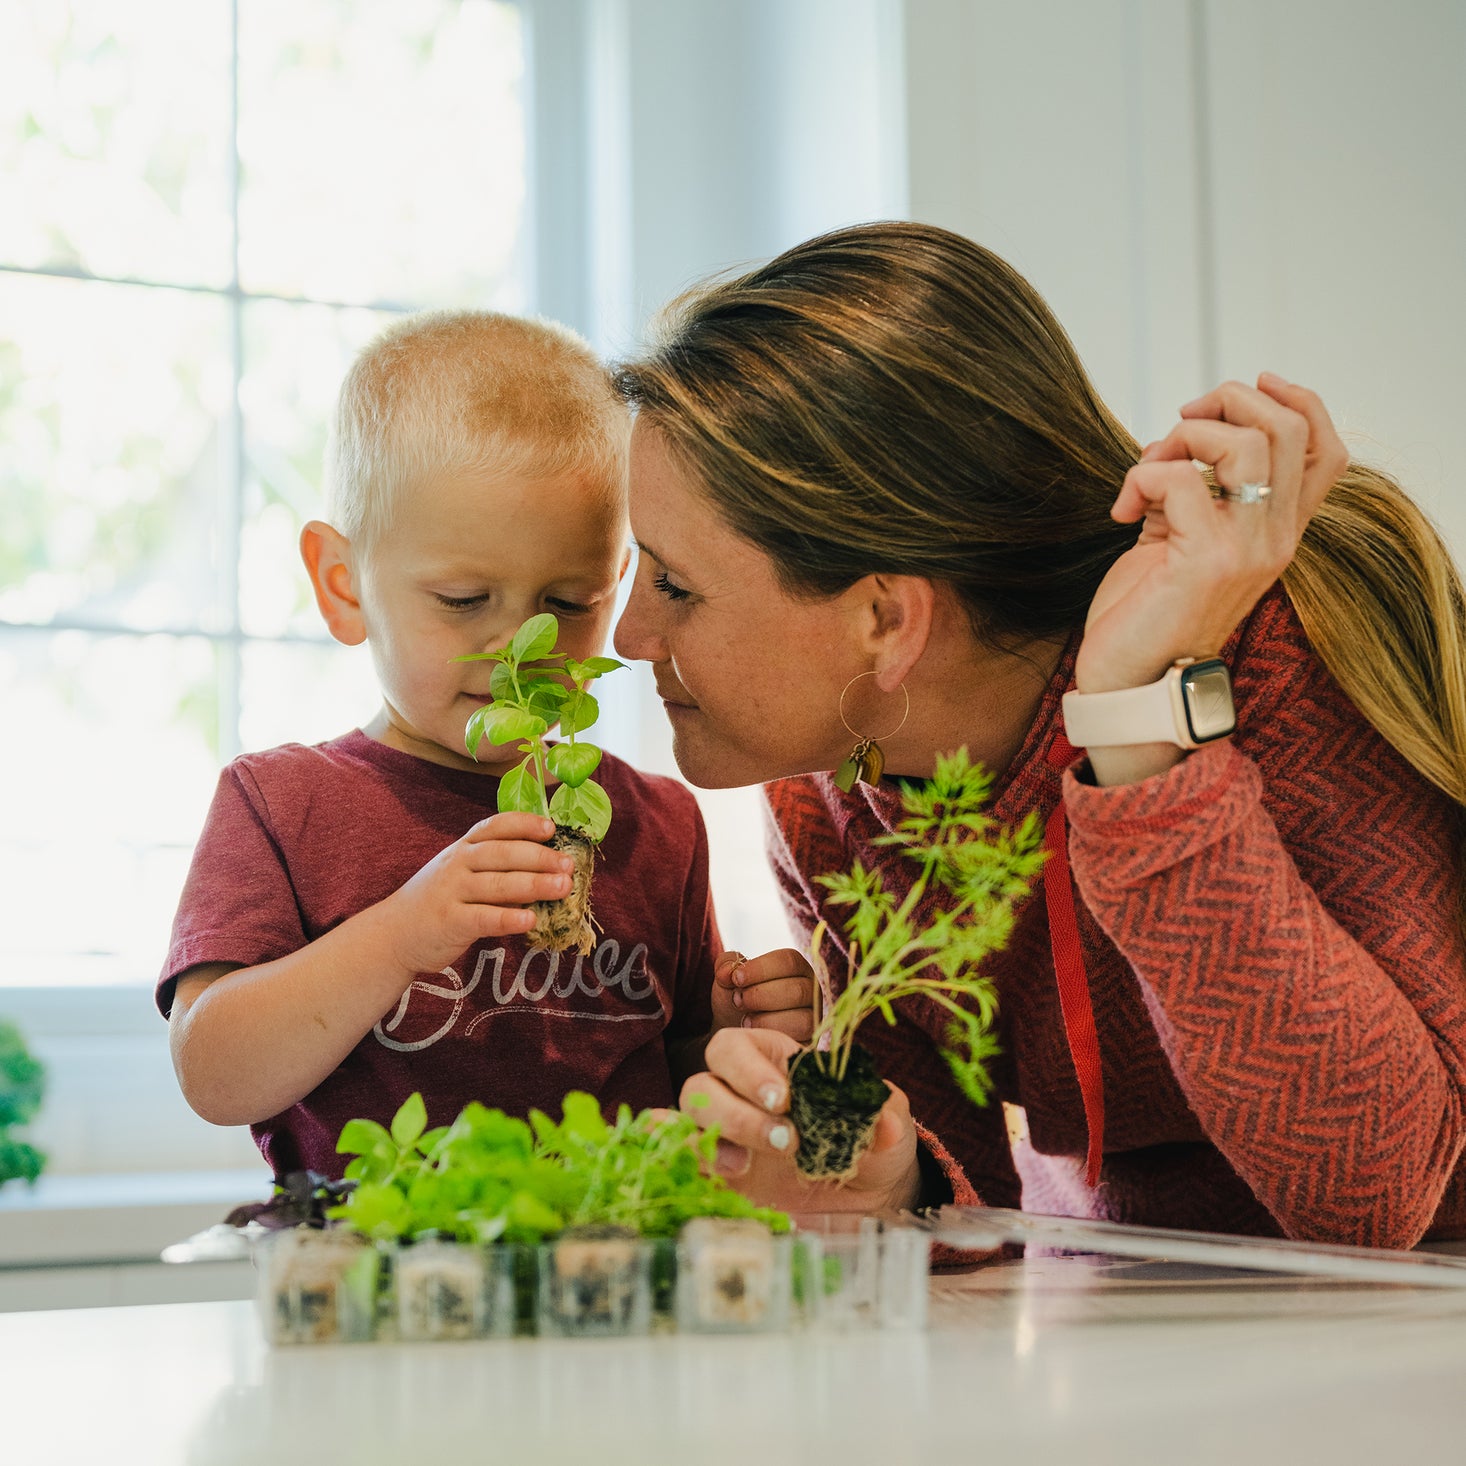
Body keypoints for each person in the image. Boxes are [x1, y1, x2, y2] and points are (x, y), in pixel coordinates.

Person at [611, 220, 1466, 1249]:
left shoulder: (1276, 652)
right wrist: (867, 1176)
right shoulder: (830, 782)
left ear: (883, 619)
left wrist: (1135, 730)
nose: (626, 633)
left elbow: (1371, 1199)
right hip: (1146, 1325)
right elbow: (961, 1190)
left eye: (672, 582)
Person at [159, 310, 812, 1178]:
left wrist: (738, 1039)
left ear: (618, 581)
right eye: (465, 600)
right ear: (343, 586)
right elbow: (213, 1074)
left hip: (612, 1278)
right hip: (371, 1286)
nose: (521, 645)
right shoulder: (281, 804)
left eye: (570, 602)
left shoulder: (658, 823)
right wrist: (401, 934)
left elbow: (678, 1074)